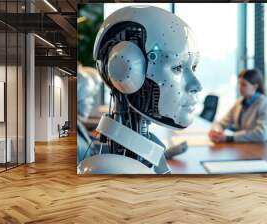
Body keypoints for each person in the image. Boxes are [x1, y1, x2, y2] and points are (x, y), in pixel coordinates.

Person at [77, 6, 202, 174]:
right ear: (128, 67)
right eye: (178, 67)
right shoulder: (106, 169)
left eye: (193, 67)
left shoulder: (147, 152)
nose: (196, 85)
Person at [208, 69, 267, 144]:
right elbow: (221, 123)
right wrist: (216, 131)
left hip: (266, 150)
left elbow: (262, 134)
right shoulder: (239, 103)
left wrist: (229, 138)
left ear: (255, 87)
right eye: (239, 84)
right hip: (245, 147)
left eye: (244, 84)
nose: (240, 87)